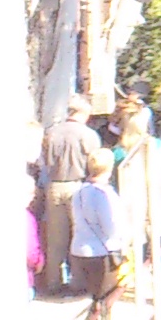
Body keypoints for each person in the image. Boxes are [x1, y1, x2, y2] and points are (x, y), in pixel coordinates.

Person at [38, 98, 105, 296]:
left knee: (55, 238)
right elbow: (95, 163)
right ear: (84, 113)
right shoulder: (89, 135)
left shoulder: (51, 132)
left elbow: (45, 161)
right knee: (79, 234)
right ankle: (78, 281)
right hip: (78, 187)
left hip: (54, 185)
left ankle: (53, 283)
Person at [67, 157, 129, 320]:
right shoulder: (104, 194)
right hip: (102, 252)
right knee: (106, 299)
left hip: (80, 249)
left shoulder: (78, 192)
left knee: (100, 297)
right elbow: (111, 227)